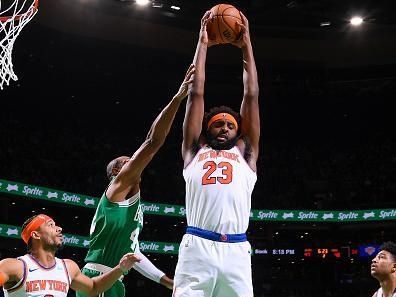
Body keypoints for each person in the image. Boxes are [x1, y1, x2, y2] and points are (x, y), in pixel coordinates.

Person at [76, 65, 195, 297]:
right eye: (127, 161)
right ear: (117, 173)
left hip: (114, 279)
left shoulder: (130, 202)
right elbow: (152, 141)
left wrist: (165, 281)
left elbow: (133, 254)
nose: (132, 161)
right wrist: (178, 98)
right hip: (98, 277)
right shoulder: (117, 188)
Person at [173, 10, 259, 297]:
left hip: (236, 249)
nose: (224, 127)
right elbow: (196, 93)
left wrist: (246, 46)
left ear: (239, 131)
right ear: (207, 130)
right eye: (218, 124)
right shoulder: (194, 151)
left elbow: (251, 95)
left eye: (230, 124)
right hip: (197, 245)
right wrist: (203, 42)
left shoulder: (246, 153)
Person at [0, 214, 140, 296]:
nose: (59, 228)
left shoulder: (68, 267)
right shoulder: (14, 266)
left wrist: (120, 268)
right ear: (35, 234)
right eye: (50, 225)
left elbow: (93, 288)